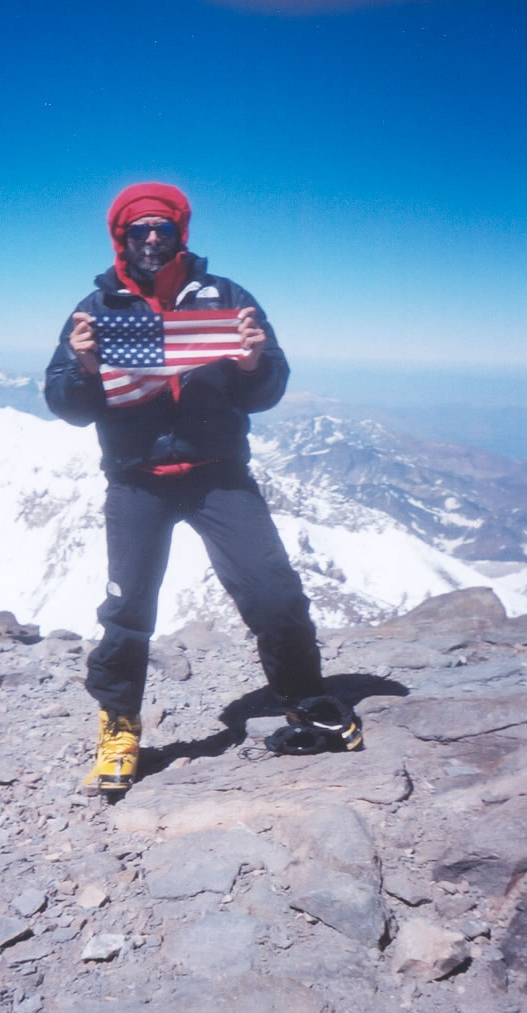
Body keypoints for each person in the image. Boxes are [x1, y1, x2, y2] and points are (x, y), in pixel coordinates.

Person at [45, 182, 324, 792]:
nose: (150, 239)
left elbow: (268, 386)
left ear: (180, 234)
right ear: (121, 236)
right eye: (138, 230)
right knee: (129, 610)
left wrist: (252, 363)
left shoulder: (226, 298)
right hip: (136, 481)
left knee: (273, 592)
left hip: (217, 473)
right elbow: (65, 403)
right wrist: (87, 367)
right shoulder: (96, 309)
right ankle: (119, 722)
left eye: (162, 229)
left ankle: (306, 701)